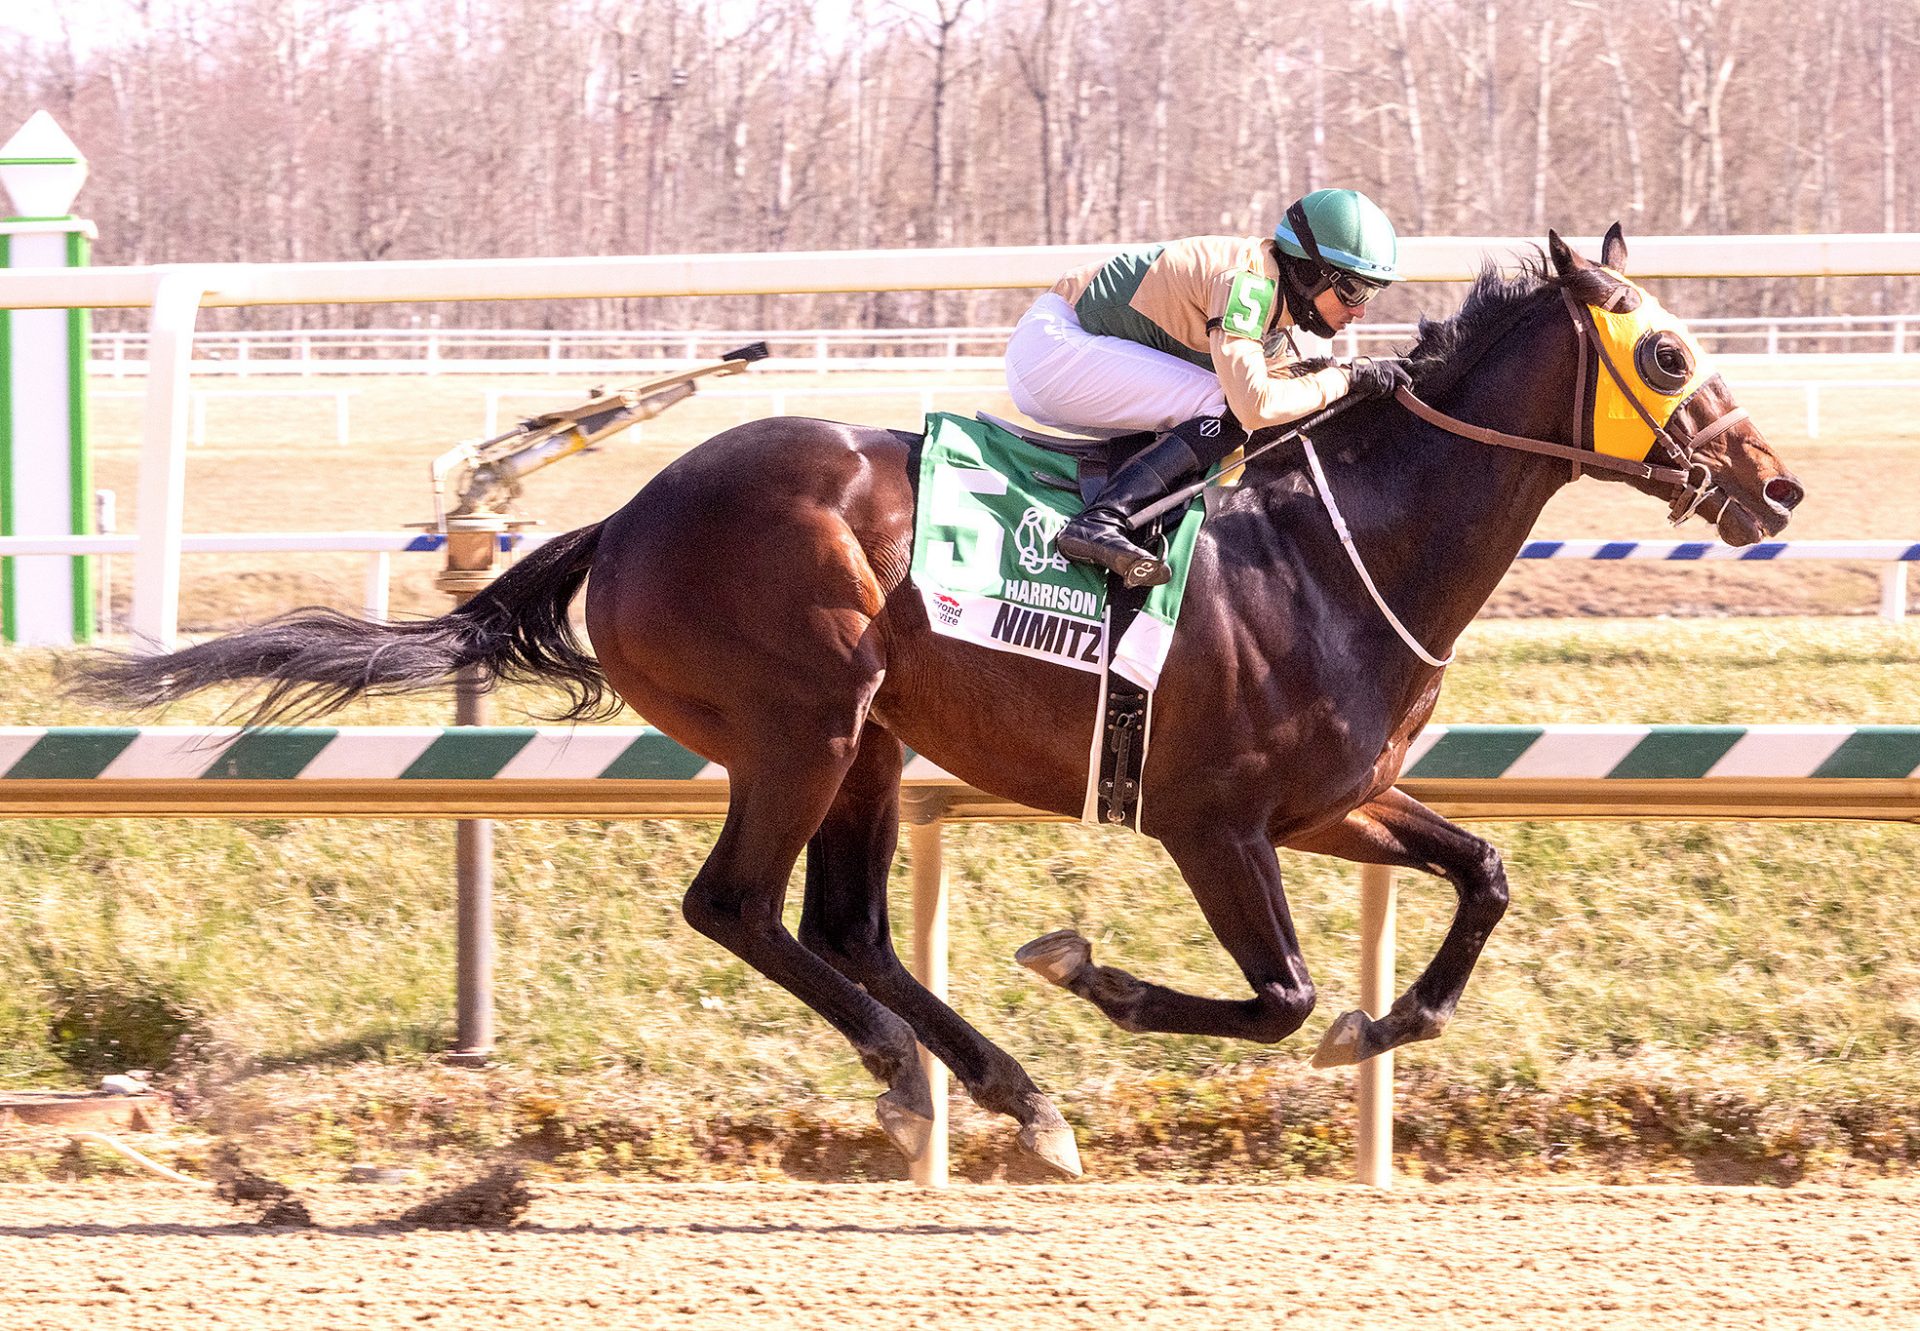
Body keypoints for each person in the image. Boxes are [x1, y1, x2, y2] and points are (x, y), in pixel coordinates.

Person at [1005, 187, 1412, 587]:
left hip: (1070, 354)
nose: (1360, 310)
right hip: (1052, 348)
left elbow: (1294, 402)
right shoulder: (1249, 282)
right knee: (1223, 406)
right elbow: (1254, 406)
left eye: (1371, 293)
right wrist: (1346, 377)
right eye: (1352, 290)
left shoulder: (1276, 318)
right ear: (1308, 272)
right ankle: (1101, 520)